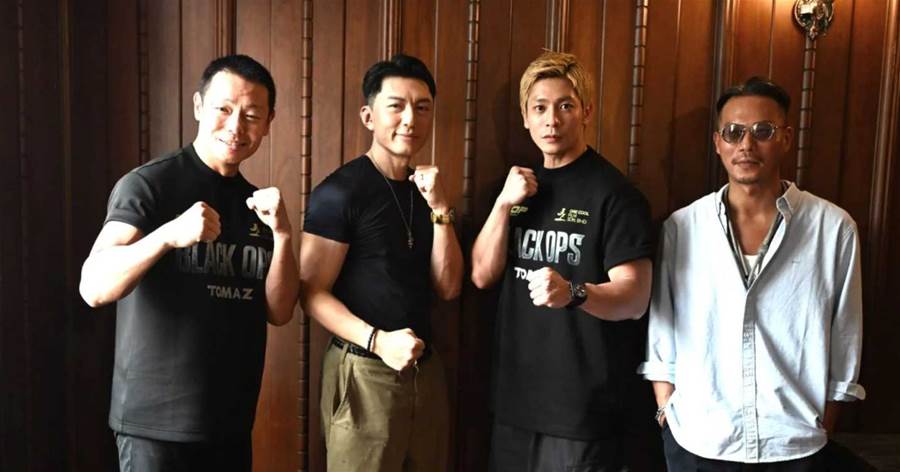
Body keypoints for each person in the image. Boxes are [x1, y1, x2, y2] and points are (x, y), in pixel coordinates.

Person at [79, 54, 298, 472]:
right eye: (224, 109)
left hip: (230, 424)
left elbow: (280, 310)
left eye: (252, 115)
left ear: (269, 122)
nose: (236, 127)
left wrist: (284, 234)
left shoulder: (257, 204)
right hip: (155, 427)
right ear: (198, 106)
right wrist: (167, 236)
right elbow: (93, 287)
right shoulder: (149, 184)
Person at [639, 77, 866, 470]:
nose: (746, 145)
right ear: (717, 143)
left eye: (763, 131)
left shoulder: (832, 228)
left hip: (794, 442)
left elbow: (845, 331)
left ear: (786, 138)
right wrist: (666, 408)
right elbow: (663, 326)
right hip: (699, 438)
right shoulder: (683, 226)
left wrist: (826, 420)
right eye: (733, 132)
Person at [471, 51, 655, 472]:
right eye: (540, 108)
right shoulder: (517, 190)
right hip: (514, 404)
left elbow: (634, 297)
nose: (551, 120)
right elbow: (481, 274)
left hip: (580, 414)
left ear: (586, 111)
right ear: (525, 117)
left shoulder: (615, 194)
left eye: (565, 106)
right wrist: (502, 205)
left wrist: (573, 292)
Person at [299, 53, 463, 471]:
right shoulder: (340, 192)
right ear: (368, 116)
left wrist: (440, 208)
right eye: (397, 106)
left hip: (425, 370)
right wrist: (378, 341)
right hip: (363, 369)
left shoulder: (426, 189)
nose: (410, 119)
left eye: (422, 108)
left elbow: (448, 287)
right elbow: (310, 292)